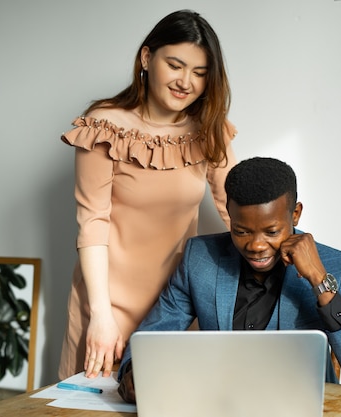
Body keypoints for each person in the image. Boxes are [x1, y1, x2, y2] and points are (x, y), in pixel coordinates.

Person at [118, 157, 341, 403]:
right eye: (242, 231)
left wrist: (319, 280)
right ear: (230, 214)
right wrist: (135, 372)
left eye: (271, 231)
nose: (256, 245)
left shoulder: (338, 267)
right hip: (217, 406)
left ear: (295, 214)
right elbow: (150, 339)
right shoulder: (199, 259)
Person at [58, 9, 237, 380]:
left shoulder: (208, 130)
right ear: (146, 58)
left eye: (200, 73)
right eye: (176, 65)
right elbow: (92, 223)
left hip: (178, 307)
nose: (186, 81)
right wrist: (101, 316)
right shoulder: (104, 125)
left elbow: (237, 210)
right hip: (107, 305)